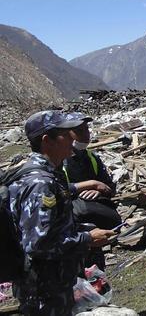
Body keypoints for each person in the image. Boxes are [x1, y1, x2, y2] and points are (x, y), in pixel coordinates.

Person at [8, 110, 115, 315]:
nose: (72, 138)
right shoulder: (40, 183)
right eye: (66, 134)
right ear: (48, 140)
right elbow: (39, 243)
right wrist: (86, 239)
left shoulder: (50, 175)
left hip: (55, 282)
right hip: (43, 288)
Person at [63, 112, 122, 270]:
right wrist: (87, 186)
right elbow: (54, 192)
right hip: (71, 232)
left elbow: (109, 187)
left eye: (86, 129)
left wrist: (100, 191)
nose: (85, 135)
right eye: (79, 131)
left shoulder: (92, 158)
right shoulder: (60, 161)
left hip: (95, 227)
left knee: (95, 276)